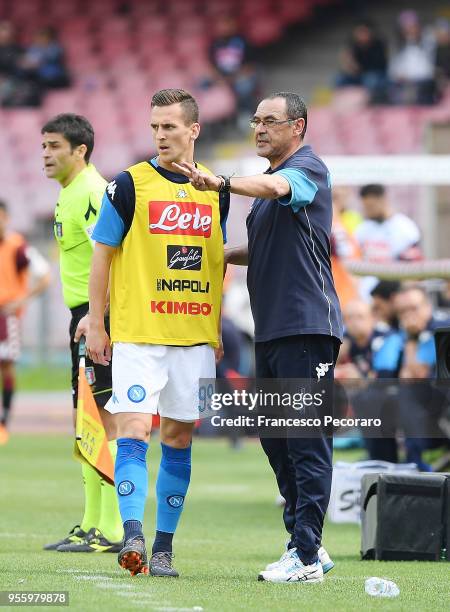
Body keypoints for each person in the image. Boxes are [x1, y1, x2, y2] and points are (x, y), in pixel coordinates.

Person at [175, 91, 343, 583]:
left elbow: (276, 190)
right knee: (274, 439)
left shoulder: (307, 170)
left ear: (299, 127)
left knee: (305, 439)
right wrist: (225, 254)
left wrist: (221, 181)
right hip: (271, 329)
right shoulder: (270, 187)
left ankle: (307, 554)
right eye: (255, 120)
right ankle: (306, 541)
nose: (259, 128)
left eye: (271, 120)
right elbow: (270, 238)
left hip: (307, 324)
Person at [86, 89, 229, 577]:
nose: (161, 135)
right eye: (155, 127)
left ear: (193, 130)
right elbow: (102, 254)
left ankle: (164, 546)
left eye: (170, 126)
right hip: (138, 334)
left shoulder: (217, 189)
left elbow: (214, 261)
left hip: (194, 338)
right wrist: (98, 323)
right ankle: (132, 534)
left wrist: (215, 324)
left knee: (179, 436)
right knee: (131, 431)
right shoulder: (127, 185)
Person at [41, 113, 122, 553]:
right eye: (43, 147)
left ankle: (110, 528)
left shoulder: (91, 191)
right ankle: (93, 522)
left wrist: (96, 318)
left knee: (103, 418)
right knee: (86, 420)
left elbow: (107, 258)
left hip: (96, 318)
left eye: (55, 146)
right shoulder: (70, 192)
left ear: (80, 151)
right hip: (84, 316)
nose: (46, 155)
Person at [0, 201, 51, 444]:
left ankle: (4, 422)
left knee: (6, 366)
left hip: (6, 316)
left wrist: (22, 300)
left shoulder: (17, 246)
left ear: (7, 218)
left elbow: (44, 275)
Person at [355, 184, 421, 299]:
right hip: (367, 294)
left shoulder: (405, 227)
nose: (368, 211)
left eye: (371, 206)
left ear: (383, 200)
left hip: (396, 293)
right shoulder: (362, 229)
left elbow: (414, 268)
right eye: (365, 207)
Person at [335, 20, 388, 102]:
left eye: (364, 32)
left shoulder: (378, 44)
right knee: (339, 78)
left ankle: (369, 103)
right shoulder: (353, 45)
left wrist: (356, 66)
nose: (361, 35)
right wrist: (348, 64)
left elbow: (378, 65)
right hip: (357, 75)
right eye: (359, 32)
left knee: (370, 80)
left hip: (375, 74)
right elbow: (349, 67)